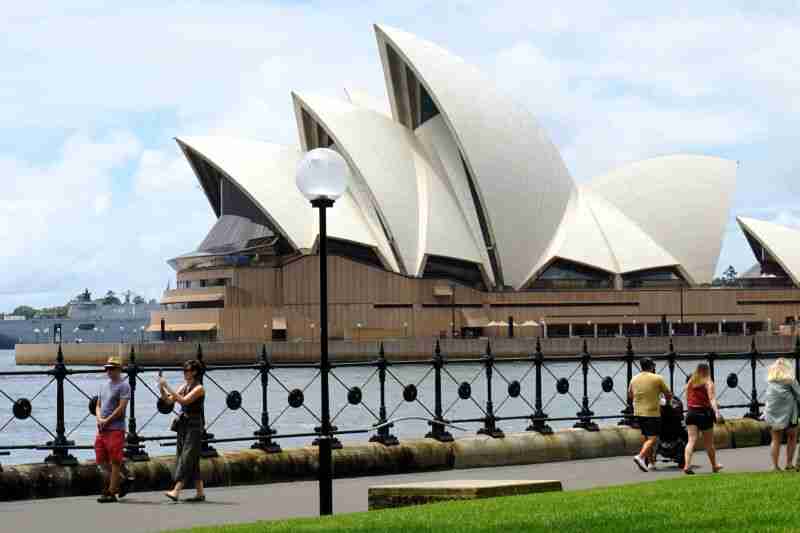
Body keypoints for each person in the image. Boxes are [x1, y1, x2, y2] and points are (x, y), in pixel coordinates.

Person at [160, 360, 206, 502]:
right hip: (183, 424)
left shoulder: (199, 388)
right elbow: (169, 401)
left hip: (194, 425)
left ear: (194, 372)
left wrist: (167, 385)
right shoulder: (184, 386)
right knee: (190, 458)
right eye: (184, 370)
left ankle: (176, 490)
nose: (184, 373)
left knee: (186, 457)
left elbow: (184, 401)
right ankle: (200, 493)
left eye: (187, 370)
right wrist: (161, 388)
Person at [95, 355, 133, 503]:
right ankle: (124, 480)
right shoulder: (103, 386)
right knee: (101, 460)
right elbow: (98, 404)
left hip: (115, 429)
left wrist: (106, 420)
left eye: (112, 368)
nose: (109, 371)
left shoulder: (124, 386)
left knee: (115, 461)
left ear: (119, 369)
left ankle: (111, 492)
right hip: (102, 428)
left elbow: (121, 409)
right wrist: (99, 419)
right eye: (107, 369)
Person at [629, 357, 671, 472]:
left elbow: (630, 395)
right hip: (652, 412)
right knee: (653, 438)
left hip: (638, 412)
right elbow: (668, 394)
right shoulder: (657, 378)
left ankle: (651, 463)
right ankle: (641, 456)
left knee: (646, 437)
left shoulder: (634, 379)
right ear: (651, 366)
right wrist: (666, 403)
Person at [683, 363, 723, 474]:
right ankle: (714, 466)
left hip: (691, 413)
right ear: (707, 371)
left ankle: (687, 465)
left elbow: (687, 397)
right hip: (704, 414)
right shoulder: (708, 382)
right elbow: (712, 399)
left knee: (691, 441)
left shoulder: (691, 382)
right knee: (709, 443)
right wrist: (716, 412)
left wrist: (690, 408)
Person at [764, 358, 800, 471]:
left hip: (773, 415)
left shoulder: (770, 382)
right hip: (789, 415)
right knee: (792, 436)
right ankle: (789, 463)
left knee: (775, 440)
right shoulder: (790, 380)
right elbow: (799, 395)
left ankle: (775, 466)